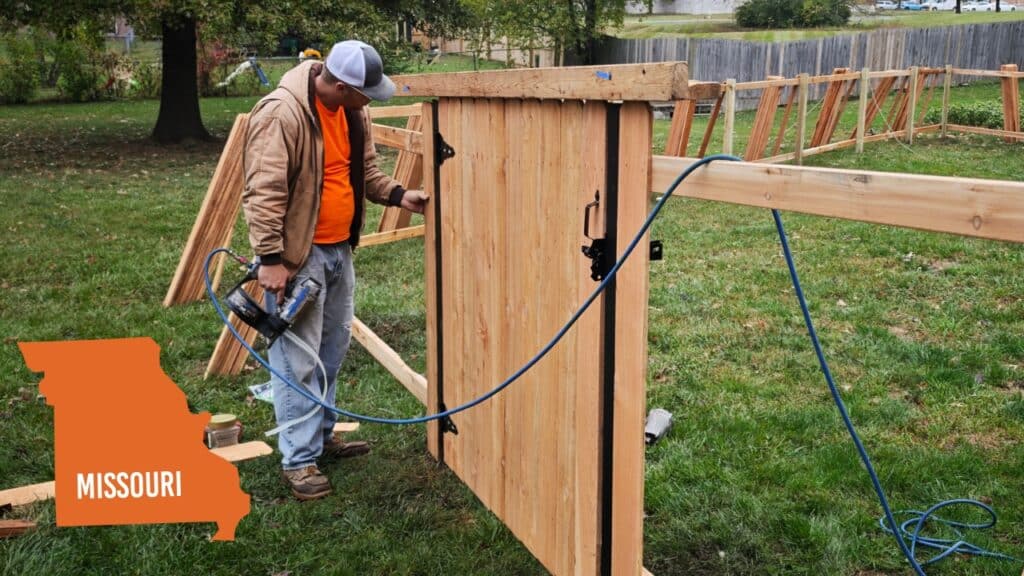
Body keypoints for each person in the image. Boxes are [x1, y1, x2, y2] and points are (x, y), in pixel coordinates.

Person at [242, 40, 428, 500]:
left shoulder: (351, 112)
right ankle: (300, 462)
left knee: (331, 349)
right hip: (297, 256)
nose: (372, 99)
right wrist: (269, 259)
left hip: (338, 249)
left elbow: (363, 172)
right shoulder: (281, 113)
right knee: (296, 360)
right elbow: (262, 191)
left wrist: (400, 194)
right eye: (366, 92)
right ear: (342, 85)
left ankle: (321, 438)